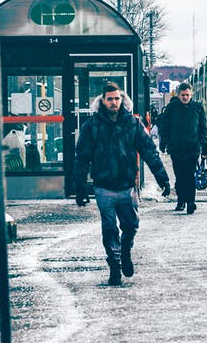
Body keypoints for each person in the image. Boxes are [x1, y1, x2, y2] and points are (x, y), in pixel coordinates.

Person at [72, 82, 171, 287]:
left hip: (127, 185)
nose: (114, 102)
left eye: (117, 98)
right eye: (110, 99)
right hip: (103, 185)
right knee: (109, 228)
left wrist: (162, 177)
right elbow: (81, 157)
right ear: (103, 100)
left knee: (131, 225)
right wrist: (80, 186)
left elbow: (149, 151)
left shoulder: (132, 124)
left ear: (122, 99)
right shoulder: (92, 125)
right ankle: (114, 266)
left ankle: (125, 251)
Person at [158, 82, 206, 214]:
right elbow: (164, 127)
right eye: (183, 95)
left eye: (187, 95)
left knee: (190, 175)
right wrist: (165, 143)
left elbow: (203, 128)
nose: (185, 97)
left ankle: (190, 202)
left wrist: (200, 143)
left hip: (192, 148)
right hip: (176, 148)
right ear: (178, 95)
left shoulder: (197, 108)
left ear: (191, 95)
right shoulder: (172, 108)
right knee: (179, 176)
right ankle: (181, 200)